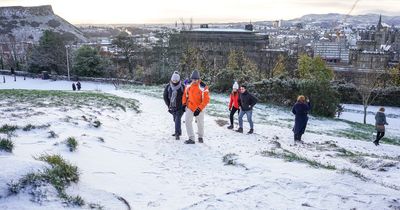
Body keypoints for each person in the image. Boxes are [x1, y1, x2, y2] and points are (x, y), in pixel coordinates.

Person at [182, 70, 210, 144]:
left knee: (200, 123)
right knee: (187, 122)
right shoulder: (188, 85)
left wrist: (199, 109)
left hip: (199, 108)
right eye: (193, 79)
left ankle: (200, 136)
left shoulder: (203, 87)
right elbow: (184, 95)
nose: (194, 81)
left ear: (198, 79)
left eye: (196, 79)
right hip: (190, 106)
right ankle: (191, 138)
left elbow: (206, 99)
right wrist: (184, 104)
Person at [163, 71, 185, 140]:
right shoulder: (168, 86)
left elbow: (186, 96)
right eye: (173, 80)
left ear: (178, 80)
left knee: (178, 118)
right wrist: (168, 105)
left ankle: (177, 133)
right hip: (172, 106)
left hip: (180, 107)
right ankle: (179, 131)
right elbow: (165, 96)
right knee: (175, 119)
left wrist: (184, 105)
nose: (174, 81)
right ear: (171, 79)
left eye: (176, 80)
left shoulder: (182, 87)